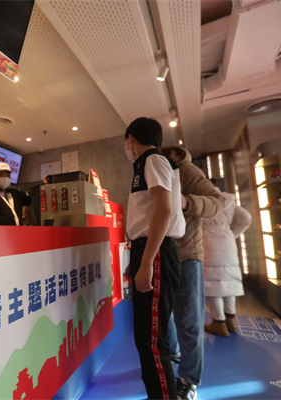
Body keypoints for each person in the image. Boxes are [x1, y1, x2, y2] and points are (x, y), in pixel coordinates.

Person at [125, 118, 185, 400]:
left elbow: (164, 210)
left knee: (152, 342)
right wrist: (139, 259)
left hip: (156, 252)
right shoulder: (146, 164)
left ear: (131, 139)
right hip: (150, 250)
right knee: (146, 338)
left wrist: (147, 261)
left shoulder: (153, 160)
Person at [161, 145, 227, 400]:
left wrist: (187, 201)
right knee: (166, 315)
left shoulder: (185, 170)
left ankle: (189, 380)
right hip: (161, 255)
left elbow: (218, 201)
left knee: (188, 320)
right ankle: (174, 355)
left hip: (187, 255)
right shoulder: (149, 171)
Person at [203, 185, 252, 336]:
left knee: (212, 282)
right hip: (227, 241)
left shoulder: (202, 199)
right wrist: (232, 233)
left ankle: (218, 322)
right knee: (229, 280)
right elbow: (246, 218)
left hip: (206, 241)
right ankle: (230, 319)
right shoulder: (227, 200)